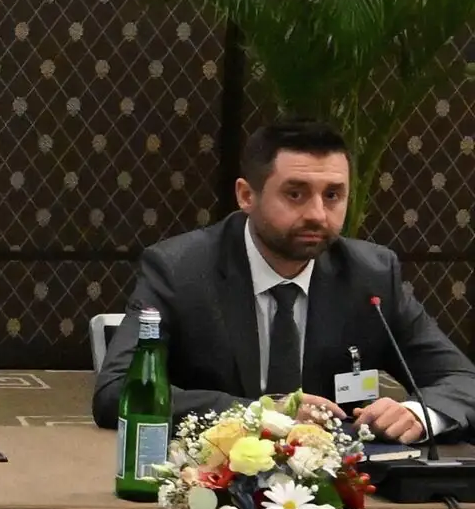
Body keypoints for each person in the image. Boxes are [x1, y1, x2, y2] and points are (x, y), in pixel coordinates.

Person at [94, 117, 475, 441]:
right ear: (247, 195)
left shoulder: (370, 275)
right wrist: (260, 413)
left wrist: (419, 414)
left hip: (338, 486)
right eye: (295, 194)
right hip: (209, 477)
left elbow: (462, 380)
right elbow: (117, 391)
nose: (317, 214)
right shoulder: (181, 270)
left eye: (333, 195)